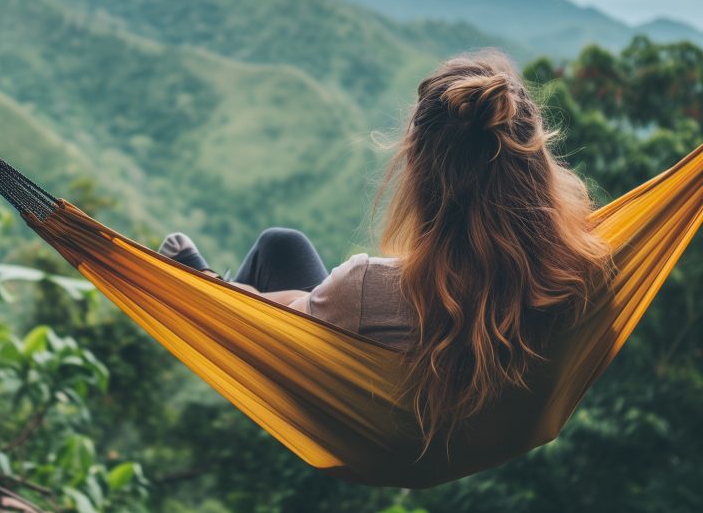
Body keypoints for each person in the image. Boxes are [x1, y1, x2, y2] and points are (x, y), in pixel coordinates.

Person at [159, 50, 612, 440]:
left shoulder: (367, 288)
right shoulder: (586, 270)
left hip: (374, 433)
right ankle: (226, 288)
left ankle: (210, 285)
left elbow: (266, 329)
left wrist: (208, 293)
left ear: (419, 170)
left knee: (277, 252)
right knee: (288, 256)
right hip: (494, 424)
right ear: (536, 168)